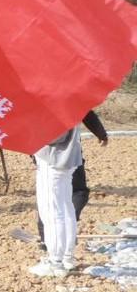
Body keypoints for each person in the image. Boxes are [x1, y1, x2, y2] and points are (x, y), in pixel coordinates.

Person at [36, 110, 108, 247]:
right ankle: (61, 241)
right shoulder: (67, 94)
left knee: (51, 198)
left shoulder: (38, 94)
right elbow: (85, 111)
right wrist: (100, 133)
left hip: (47, 154)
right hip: (65, 154)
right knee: (73, 195)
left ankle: (49, 238)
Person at [29, 126, 83, 278]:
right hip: (66, 157)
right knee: (66, 208)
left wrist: (31, 134)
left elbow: (55, 134)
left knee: (51, 212)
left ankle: (55, 262)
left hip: (53, 158)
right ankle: (67, 257)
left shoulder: (58, 104)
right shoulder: (73, 103)